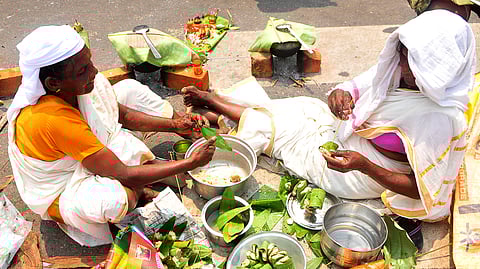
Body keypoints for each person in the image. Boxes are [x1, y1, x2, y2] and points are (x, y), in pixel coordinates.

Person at [182, 6, 476, 224]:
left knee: (274, 131)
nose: (404, 67)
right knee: (301, 107)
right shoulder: (402, 69)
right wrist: (341, 93)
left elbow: (420, 190)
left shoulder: (442, 117)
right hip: (349, 135)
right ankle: (218, 108)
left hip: (362, 173)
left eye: (415, 63)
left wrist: (364, 166)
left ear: (444, 67)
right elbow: (363, 85)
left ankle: (216, 107)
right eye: (402, 55)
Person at [7, 25, 216, 246]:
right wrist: (190, 163)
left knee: (129, 89)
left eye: (89, 62)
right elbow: (123, 172)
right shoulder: (51, 119)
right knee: (119, 199)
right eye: (82, 71)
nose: (94, 72)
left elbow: (121, 115)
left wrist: (175, 124)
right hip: (63, 185)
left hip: (87, 149)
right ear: (53, 84)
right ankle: (141, 190)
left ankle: (170, 146)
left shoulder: (79, 86)